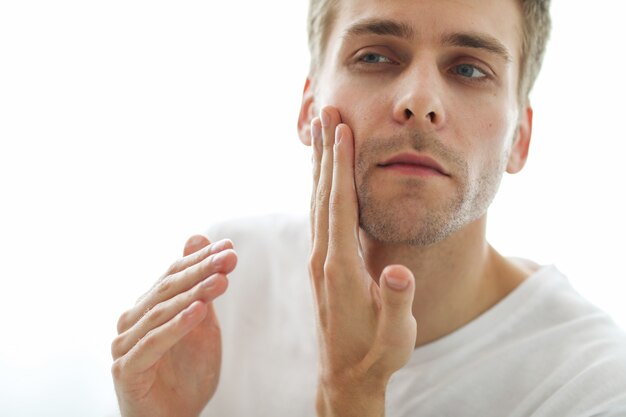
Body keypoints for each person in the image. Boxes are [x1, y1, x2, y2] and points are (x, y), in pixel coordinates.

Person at [111, 0, 626, 416]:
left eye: (469, 69)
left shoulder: (591, 387)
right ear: (308, 106)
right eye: (376, 57)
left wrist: (349, 395)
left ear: (521, 138)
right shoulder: (226, 286)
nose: (419, 100)